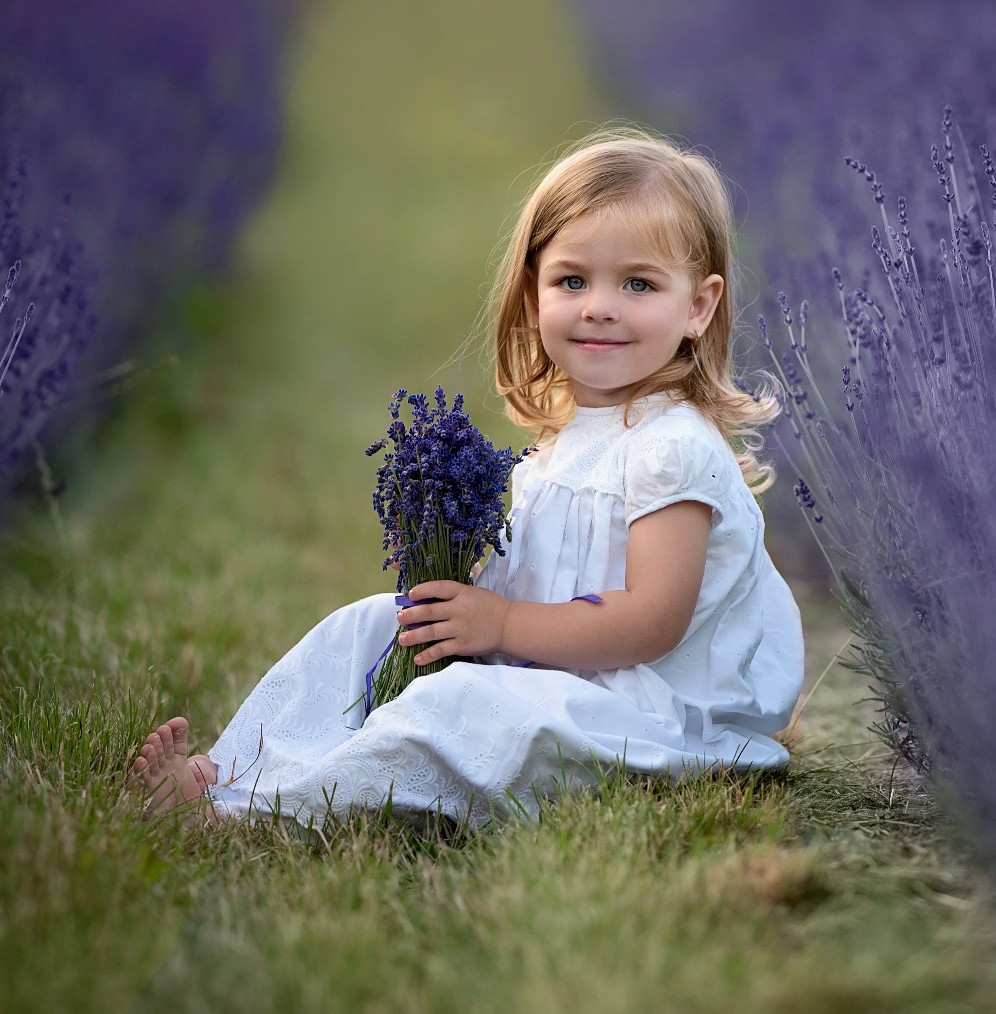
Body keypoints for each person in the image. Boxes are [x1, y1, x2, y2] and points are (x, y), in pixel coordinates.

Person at [129, 128, 804, 824]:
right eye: (572, 280)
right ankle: (234, 765)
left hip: (643, 712)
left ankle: (257, 811)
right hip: (551, 673)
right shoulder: (568, 440)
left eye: (638, 283)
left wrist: (501, 622)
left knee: (456, 708)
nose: (599, 305)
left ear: (698, 306)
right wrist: (467, 595)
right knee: (373, 627)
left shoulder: (674, 449)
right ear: (534, 294)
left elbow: (650, 622)